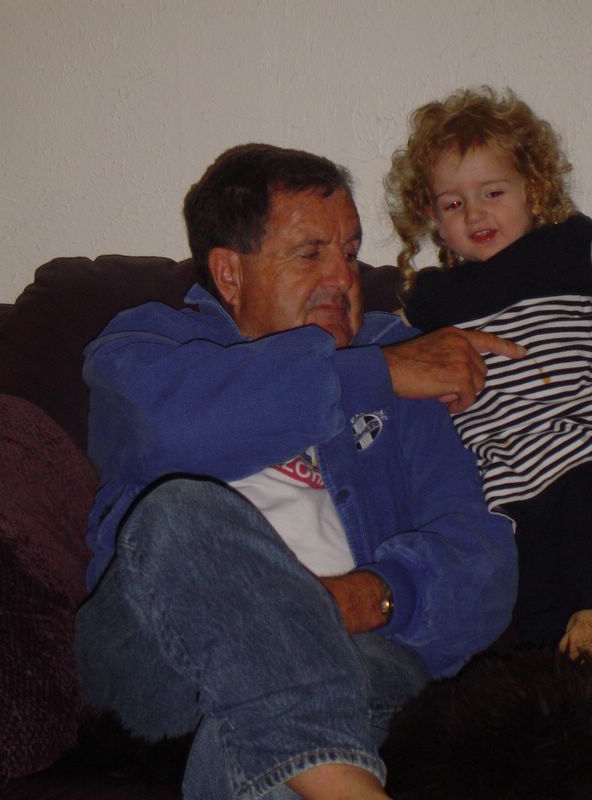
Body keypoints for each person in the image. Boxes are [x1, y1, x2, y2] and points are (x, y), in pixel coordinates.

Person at [76, 143, 521, 800]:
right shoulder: (148, 343)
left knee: (270, 720)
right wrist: (376, 375)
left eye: (351, 252)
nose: (344, 277)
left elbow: (482, 559)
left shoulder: (398, 355)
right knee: (179, 510)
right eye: (311, 254)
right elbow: (160, 429)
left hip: (356, 650)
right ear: (230, 274)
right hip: (160, 656)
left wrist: (370, 596)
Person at [385, 86, 592, 660]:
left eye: (492, 193)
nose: (474, 214)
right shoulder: (432, 298)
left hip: (576, 441)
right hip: (498, 477)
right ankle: (557, 662)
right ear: (432, 216)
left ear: (535, 190)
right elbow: (389, 355)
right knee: (528, 592)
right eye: (452, 204)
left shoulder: (570, 248)